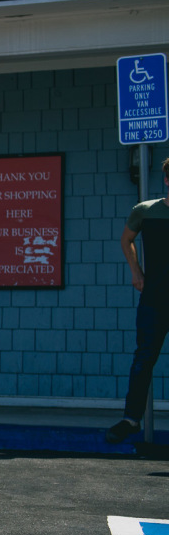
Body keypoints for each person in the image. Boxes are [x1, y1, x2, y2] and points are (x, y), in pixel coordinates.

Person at [107, 156, 169, 444]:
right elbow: (126, 239)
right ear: (167, 181)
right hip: (155, 297)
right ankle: (131, 419)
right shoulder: (145, 211)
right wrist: (136, 272)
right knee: (144, 358)